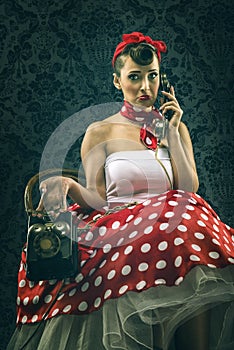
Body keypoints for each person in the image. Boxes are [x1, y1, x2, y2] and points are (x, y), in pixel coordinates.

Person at [7, 32, 234, 350]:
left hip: (172, 231)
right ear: (117, 81)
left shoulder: (175, 127)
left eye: (152, 76)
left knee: (185, 227)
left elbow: (188, 189)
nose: (145, 87)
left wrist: (170, 133)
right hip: (123, 228)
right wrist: (72, 187)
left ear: (162, 78)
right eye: (135, 77)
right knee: (162, 237)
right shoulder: (99, 131)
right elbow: (98, 199)